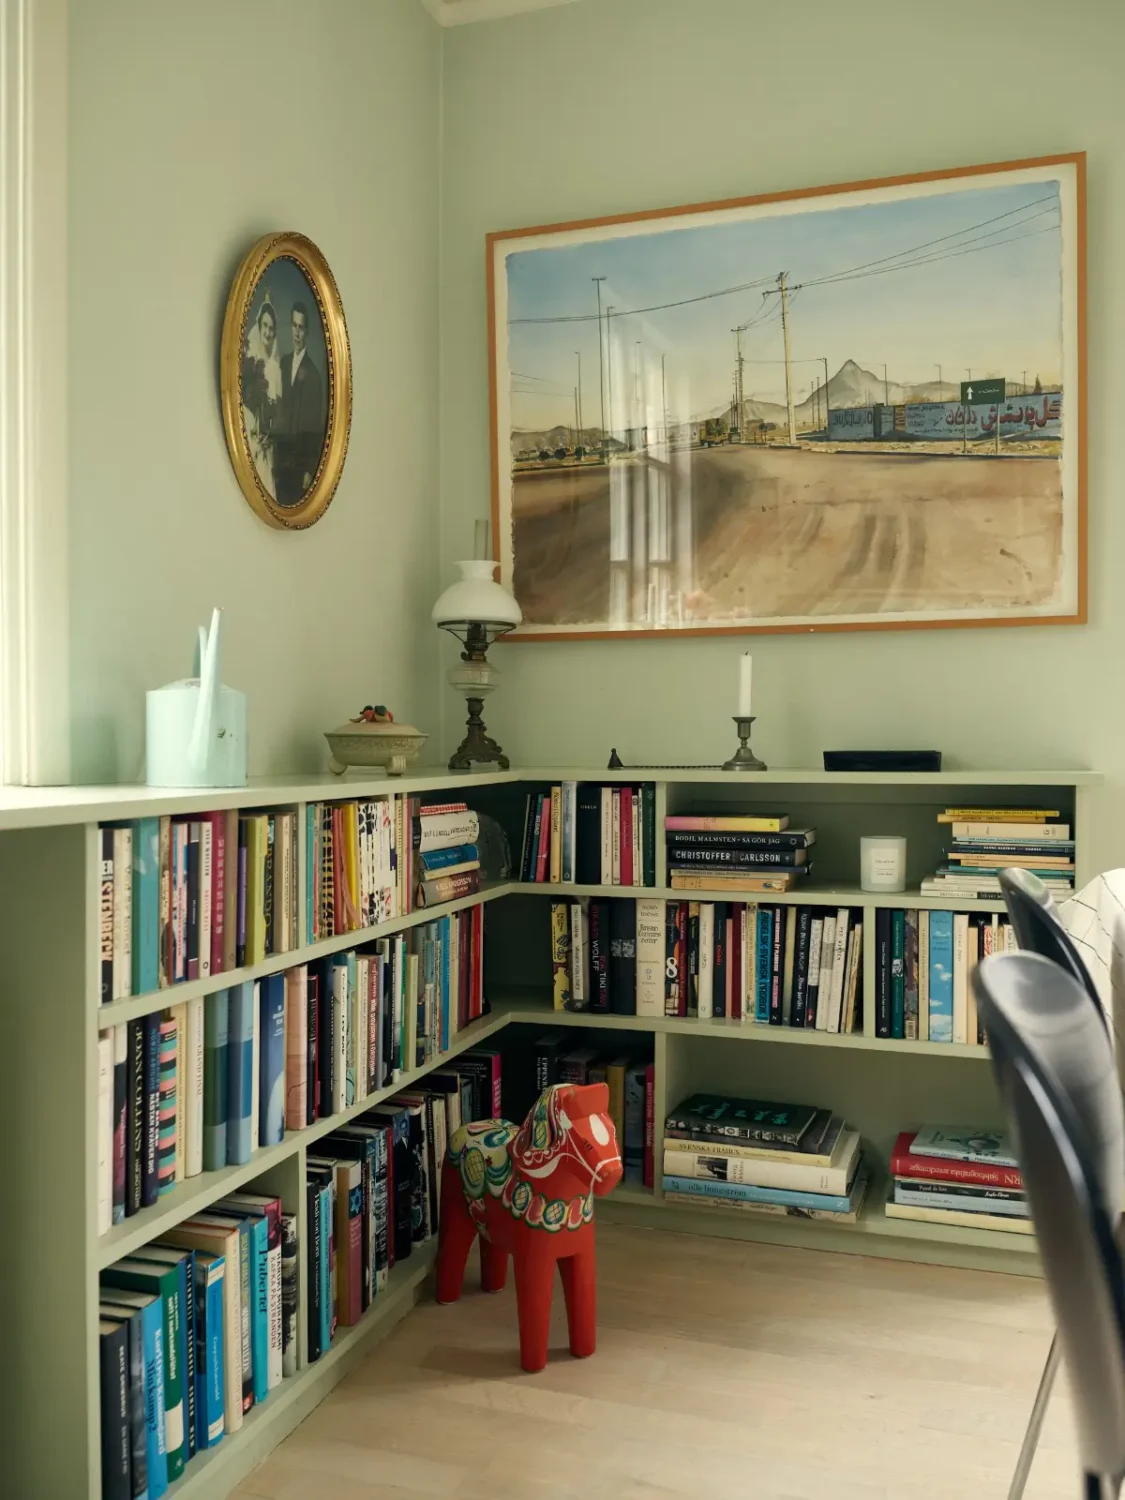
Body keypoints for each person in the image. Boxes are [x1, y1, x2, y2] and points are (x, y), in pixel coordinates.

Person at [275, 300, 326, 506]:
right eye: (294, 326)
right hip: (280, 458)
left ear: (307, 332)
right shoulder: (284, 363)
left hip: (299, 464)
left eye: (301, 328)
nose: (297, 333)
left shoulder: (313, 375)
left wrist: (308, 469)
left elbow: (314, 424)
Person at [243, 296, 283, 497]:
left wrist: (270, 432)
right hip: (249, 437)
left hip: (266, 443)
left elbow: (279, 411)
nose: (268, 332)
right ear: (259, 327)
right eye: (265, 326)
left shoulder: (275, 369)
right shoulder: (250, 363)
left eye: (271, 327)